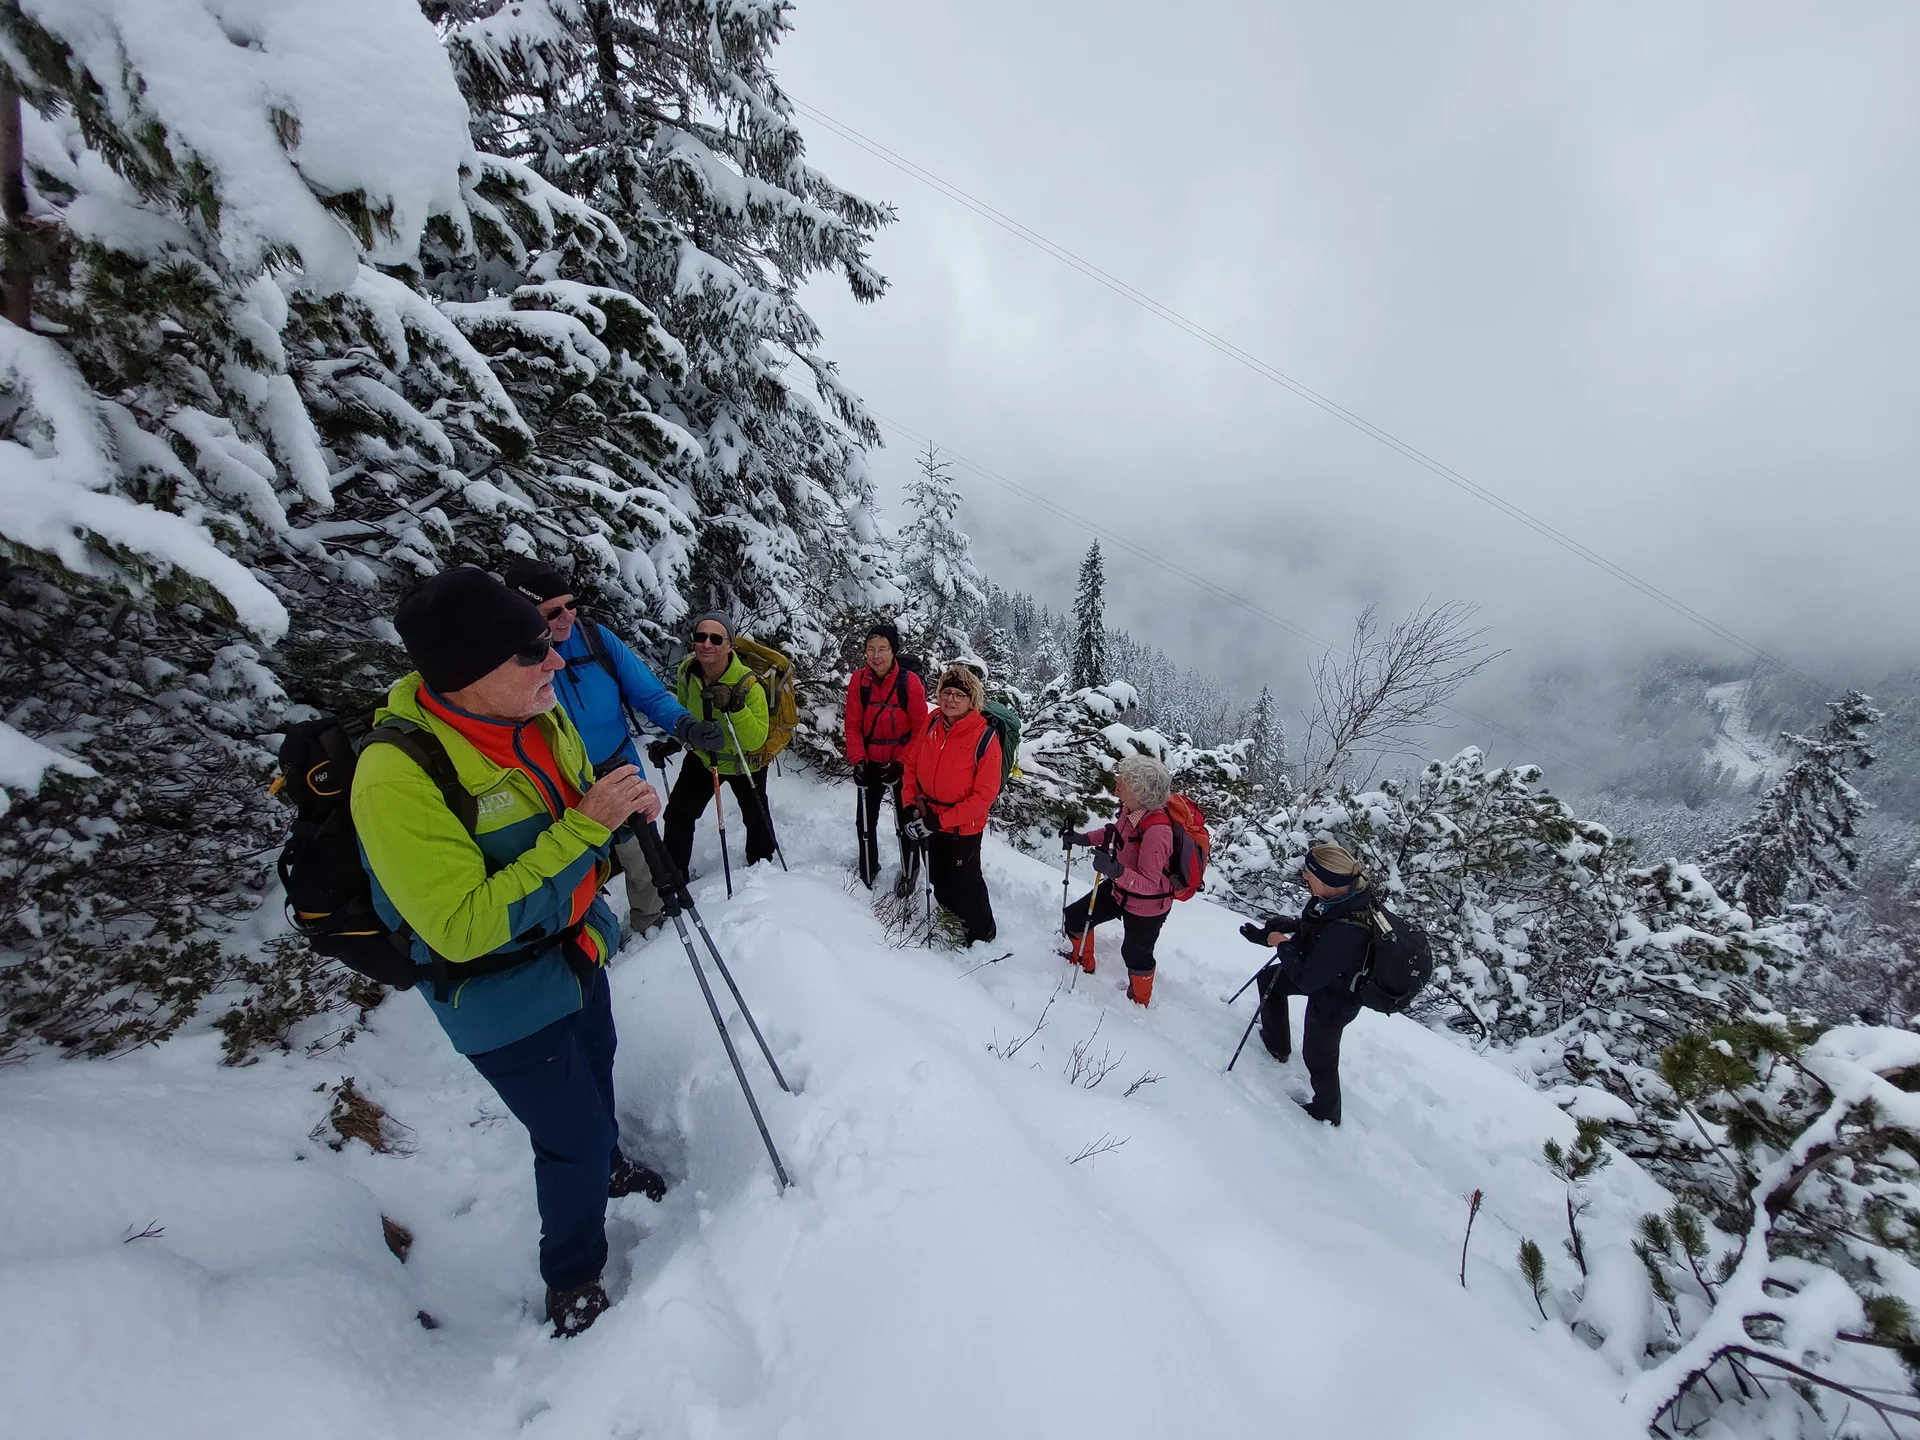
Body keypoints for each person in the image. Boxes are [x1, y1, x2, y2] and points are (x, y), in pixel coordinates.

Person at [352, 567, 665, 1338]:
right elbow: (458, 926)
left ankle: (612, 1166)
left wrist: (620, 809)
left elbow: (574, 803)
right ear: (467, 672)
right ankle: (573, 1277)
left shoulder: (535, 715)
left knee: (600, 1068)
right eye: (532, 653)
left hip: (579, 952)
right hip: (500, 999)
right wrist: (588, 828)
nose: (555, 661)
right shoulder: (395, 777)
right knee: (571, 1139)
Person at [501, 558, 726, 936]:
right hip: (555, 785)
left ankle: (650, 927)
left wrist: (685, 726)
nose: (567, 616)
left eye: (571, 604)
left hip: (618, 767)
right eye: (552, 611)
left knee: (641, 854)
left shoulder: (595, 638)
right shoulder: (505, 662)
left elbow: (649, 694)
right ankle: (585, 935)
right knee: (572, 865)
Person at [1240, 843, 1375, 1127]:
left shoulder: (1348, 929)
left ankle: (1327, 1113)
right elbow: (1316, 927)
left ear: (1328, 880)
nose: (1304, 876)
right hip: (1323, 975)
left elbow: (1307, 978)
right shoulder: (1336, 899)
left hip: (1337, 997)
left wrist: (1282, 943)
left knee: (1319, 1058)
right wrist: (1283, 929)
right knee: (1270, 981)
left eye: (1309, 872)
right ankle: (1277, 1045)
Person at [651, 612, 777, 879]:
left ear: (729, 645)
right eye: (701, 637)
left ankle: (763, 872)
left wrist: (736, 706)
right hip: (704, 758)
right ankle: (675, 879)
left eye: (716, 638)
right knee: (678, 816)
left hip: (745, 763)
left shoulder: (748, 683)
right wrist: (674, 741)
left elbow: (756, 739)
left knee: (757, 820)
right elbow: (683, 711)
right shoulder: (687, 672)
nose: (707, 644)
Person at [1059, 753, 1176, 1006]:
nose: (1118, 780)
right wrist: (1083, 839)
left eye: (1125, 778)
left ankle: (1139, 1001)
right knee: (1076, 917)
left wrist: (1114, 871)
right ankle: (1082, 960)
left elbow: (1150, 884)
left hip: (1148, 906)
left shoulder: (1158, 831)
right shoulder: (1130, 810)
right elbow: (1113, 833)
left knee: (1135, 954)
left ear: (1139, 789)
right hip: (1119, 889)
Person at [901, 665, 1003, 945]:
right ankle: (952, 918)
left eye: (959, 694)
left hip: (962, 828)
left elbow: (984, 796)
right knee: (938, 877)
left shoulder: (984, 736)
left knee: (966, 881)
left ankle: (981, 934)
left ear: (972, 701)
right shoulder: (933, 721)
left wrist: (941, 820)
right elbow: (911, 764)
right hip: (928, 816)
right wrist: (911, 803)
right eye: (946, 692)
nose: (951, 700)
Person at [844, 621, 927, 893]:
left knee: (905, 823)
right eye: (870, 649)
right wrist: (858, 761)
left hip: (902, 762)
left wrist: (902, 764)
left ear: (893, 652)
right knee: (865, 820)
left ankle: (909, 871)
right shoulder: (859, 681)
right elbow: (853, 725)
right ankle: (868, 868)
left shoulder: (909, 683)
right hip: (870, 760)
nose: (876, 655)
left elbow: (920, 729)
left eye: (882, 649)